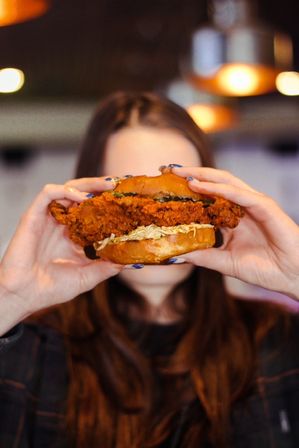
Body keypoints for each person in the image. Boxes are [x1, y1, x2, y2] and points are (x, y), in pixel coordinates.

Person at [0, 91, 298, 448]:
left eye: (178, 185)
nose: (154, 197)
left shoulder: (277, 337)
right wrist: (9, 298)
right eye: (126, 187)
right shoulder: (29, 349)